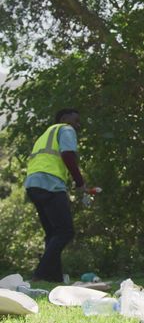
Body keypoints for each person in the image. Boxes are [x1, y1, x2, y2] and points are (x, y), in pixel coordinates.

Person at [25, 108, 87, 282]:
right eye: (76, 120)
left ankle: (54, 278)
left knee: (53, 233)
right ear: (64, 118)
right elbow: (67, 155)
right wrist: (80, 182)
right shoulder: (66, 129)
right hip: (50, 183)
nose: (77, 124)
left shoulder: (45, 135)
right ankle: (40, 274)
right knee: (65, 231)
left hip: (33, 184)